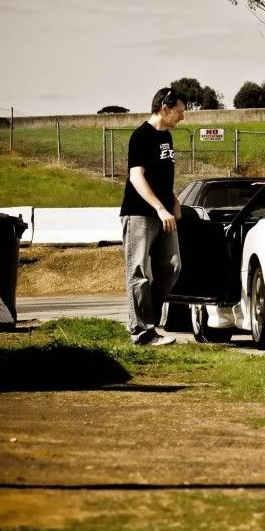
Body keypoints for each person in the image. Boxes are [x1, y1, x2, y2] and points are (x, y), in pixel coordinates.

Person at [119, 87, 187, 346]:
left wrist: (174, 201)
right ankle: (142, 332)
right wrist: (159, 208)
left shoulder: (167, 137)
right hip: (139, 213)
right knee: (138, 272)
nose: (182, 117)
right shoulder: (141, 136)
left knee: (172, 267)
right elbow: (136, 177)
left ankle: (149, 322)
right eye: (179, 111)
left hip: (164, 213)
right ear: (164, 108)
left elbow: (161, 178)